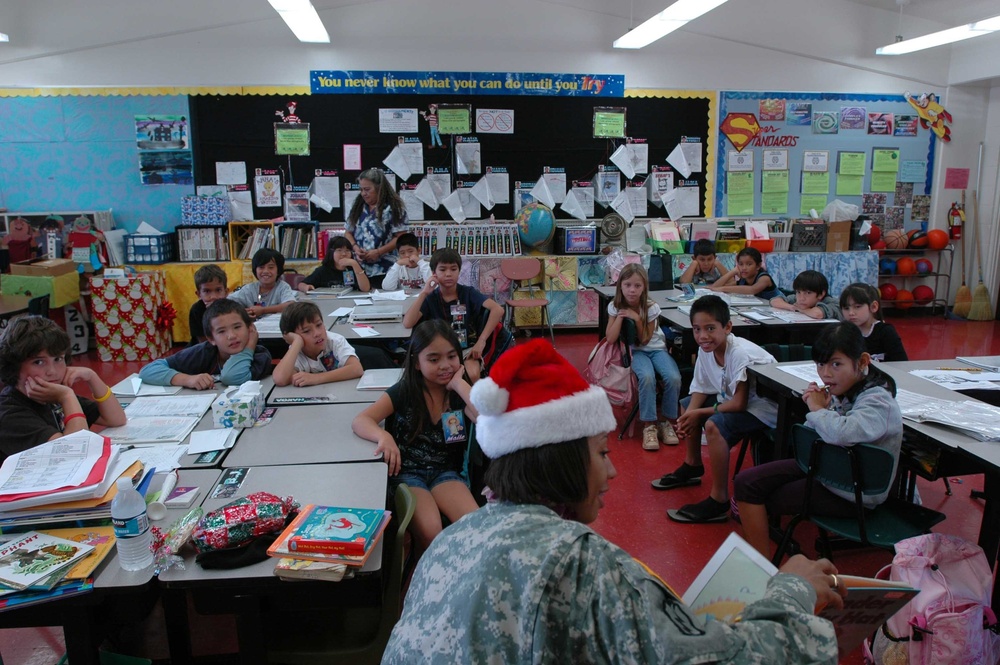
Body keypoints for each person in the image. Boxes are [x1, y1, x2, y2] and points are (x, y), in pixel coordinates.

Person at [381, 338, 844, 664]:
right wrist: (793, 592)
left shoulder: (454, 538)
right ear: (562, 462)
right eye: (602, 453)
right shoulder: (579, 562)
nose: (614, 470)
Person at [735, 322, 903, 557]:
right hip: (828, 467)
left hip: (852, 491)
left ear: (863, 362)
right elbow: (813, 435)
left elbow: (841, 433)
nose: (826, 373)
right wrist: (821, 410)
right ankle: (758, 562)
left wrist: (816, 410)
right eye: (821, 364)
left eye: (836, 364)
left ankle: (760, 566)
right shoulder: (842, 390)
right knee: (745, 482)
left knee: (761, 498)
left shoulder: (878, 401)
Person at [352, 320, 479, 551]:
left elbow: (484, 417)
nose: (445, 365)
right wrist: (384, 436)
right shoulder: (406, 391)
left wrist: (459, 384)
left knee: (476, 526)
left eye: (452, 357)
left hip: (445, 473)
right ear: (417, 363)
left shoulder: (459, 392)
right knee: (432, 533)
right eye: (433, 359)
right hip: (408, 474)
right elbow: (361, 420)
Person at [652, 295, 778, 524]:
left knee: (713, 425)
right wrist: (689, 414)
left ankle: (719, 499)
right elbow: (702, 386)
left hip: (765, 409)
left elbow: (739, 404)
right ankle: (692, 465)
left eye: (710, 328)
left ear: (727, 327)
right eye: (697, 329)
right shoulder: (706, 349)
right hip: (737, 401)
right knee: (687, 404)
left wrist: (698, 414)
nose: (702, 336)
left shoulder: (738, 352)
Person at [0, 316, 126, 459]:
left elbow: (116, 419)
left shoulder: (51, 394)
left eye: (58, 359)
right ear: (14, 367)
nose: (52, 371)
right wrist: (67, 397)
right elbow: (75, 453)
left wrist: (92, 377)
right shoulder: (9, 413)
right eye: (39, 362)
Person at [402, 248, 511, 383]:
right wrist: (424, 293)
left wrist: (481, 341)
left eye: (453, 269)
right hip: (438, 351)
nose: (448, 274)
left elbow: (497, 310)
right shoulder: (431, 298)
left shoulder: (468, 293)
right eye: (442, 270)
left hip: (467, 349)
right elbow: (408, 322)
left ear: (459, 271)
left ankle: (470, 403)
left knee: (472, 374)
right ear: (434, 273)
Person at [605, 264, 681, 451]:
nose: (632, 290)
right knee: (647, 378)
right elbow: (610, 338)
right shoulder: (614, 305)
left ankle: (667, 422)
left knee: (674, 377)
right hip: (635, 352)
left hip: (656, 349)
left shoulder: (651, 307)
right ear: (620, 286)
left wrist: (637, 318)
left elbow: (646, 340)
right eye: (628, 284)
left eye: (637, 286)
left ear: (644, 287)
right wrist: (622, 315)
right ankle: (649, 426)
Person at [139, 299, 271, 389]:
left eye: (237, 327)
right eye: (221, 331)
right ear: (211, 339)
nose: (231, 336)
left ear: (250, 328)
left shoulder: (260, 355)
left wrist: (248, 349)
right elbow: (148, 371)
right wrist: (188, 380)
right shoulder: (203, 352)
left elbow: (232, 377)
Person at [344, 167, 409, 288]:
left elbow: (401, 238)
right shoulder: (358, 207)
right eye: (361, 189)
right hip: (359, 270)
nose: (364, 193)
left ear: (379, 188)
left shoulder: (395, 208)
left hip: (385, 269)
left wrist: (378, 252)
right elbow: (348, 232)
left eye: (367, 189)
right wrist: (355, 248)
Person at [273, 302, 363, 387]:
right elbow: (280, 379)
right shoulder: (296, 350)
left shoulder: (334, 341)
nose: (317, 333)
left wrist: (315, 378)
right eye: (306, 331)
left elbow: (356, 369)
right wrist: (297, 342)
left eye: (319, 325)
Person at [839, 282, 907, 362]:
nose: (851, 313)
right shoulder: (844, 332)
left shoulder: (886, 332)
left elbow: (902, 363)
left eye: (857, 307)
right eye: (846, 308)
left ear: (873, 307)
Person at [228, 248, 296, 319]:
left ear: (278, 270)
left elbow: (290, 305)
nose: (266, 271)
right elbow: (227, 302)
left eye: (271, 267)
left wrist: (263, 310)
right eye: (261, 267)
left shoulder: (282, 287)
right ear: (255, 270)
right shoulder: (249, 289)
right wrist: (243, 313)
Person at [296, 236, 371, 294]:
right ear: (331, 252)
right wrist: (306, 287)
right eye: (339, 250)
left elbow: (366, 288)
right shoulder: (323, 270)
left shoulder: (354, 268)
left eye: (347, 250)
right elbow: (301, 284)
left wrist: (355, 264)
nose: (344, 254)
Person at [711, 247, 781, 299]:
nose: (744, 268)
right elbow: (715, 287)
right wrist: (732, 272)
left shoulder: (764, 278)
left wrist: (723, 289)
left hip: (780, 307)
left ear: (758, 266)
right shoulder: (744, 279)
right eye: (741, 264)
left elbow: (752, 290)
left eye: (749, 264)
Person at [770, 270, 842, 320]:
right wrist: (791, 307)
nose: (801, 298)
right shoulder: (799, 299)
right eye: (798, 292)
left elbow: (818, 314)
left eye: (808, 293)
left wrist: (800, 309)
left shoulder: (833, 302)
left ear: (821, 294)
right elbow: (774, 301)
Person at [189, 264, 228, 344]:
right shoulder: (196, 310)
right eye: (207, 291)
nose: (213, 296)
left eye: (218, 290)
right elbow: (204, 343)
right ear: (199, 294)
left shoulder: (232, 309)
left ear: (226, 292)